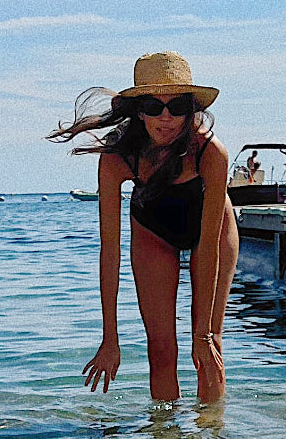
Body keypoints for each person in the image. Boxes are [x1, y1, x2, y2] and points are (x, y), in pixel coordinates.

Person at [46, 52, 238, 403]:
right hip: (152, 230)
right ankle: (166, 430)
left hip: (211, 229)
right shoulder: (117, 158)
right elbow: (110, 253)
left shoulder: (210, 152)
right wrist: (110, 338)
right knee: (161, 350)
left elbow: (207, 247)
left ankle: (211, 428)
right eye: (153, 106)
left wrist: (204, 336)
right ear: (138, 110)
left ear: (191, 109)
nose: (166, 118)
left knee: (208, 347)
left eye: (177, 106)